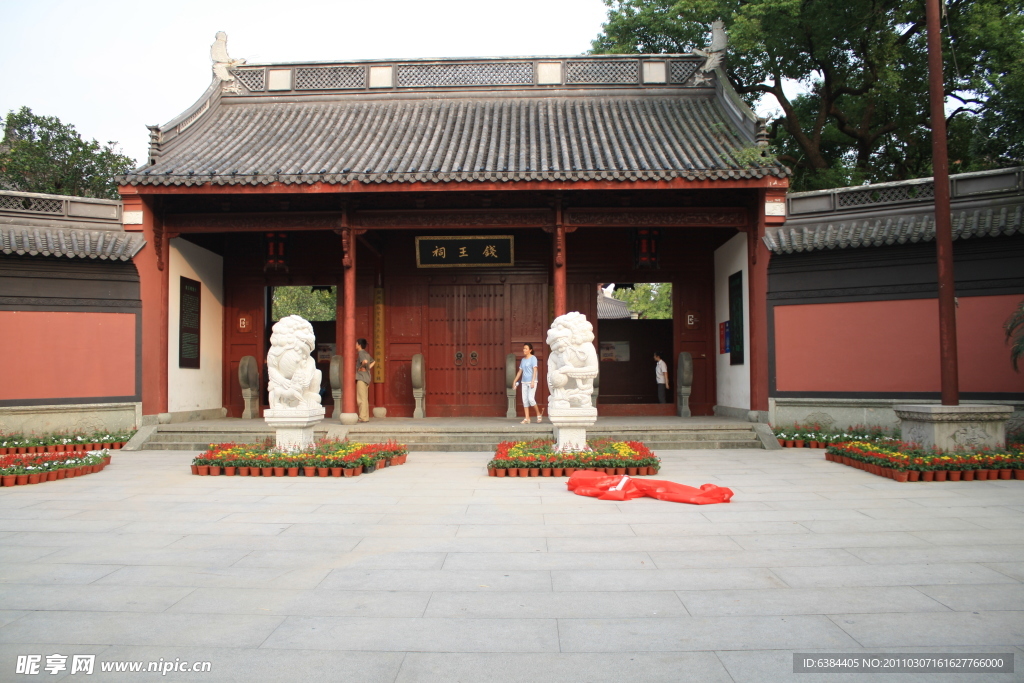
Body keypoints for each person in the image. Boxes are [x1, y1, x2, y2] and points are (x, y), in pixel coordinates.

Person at [513, 343, 543, 424]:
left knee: (531, 399)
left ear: (530, 350)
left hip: (532, 382)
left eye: (526, 349)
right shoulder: (523, 360)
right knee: (525, 400)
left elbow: (535, 370)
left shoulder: (533, 358)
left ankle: (538, 414)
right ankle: (527, 418)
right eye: (523, 348)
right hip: (524, 382)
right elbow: (520, 371)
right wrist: (515, 381)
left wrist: (533, 381)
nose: (524, 350)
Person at [355, 338, 375, 422]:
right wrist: (368, 369)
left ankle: (362, 417)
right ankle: (365, 417)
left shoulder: (361, 353)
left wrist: (361, 367)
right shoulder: (366, 353)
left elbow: (365, 361)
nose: (355, 345)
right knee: (364, 398)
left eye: (356, 343)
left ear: (359, 345)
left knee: (361, 399)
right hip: (366, 377)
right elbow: (373, 361)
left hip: (361, 377)